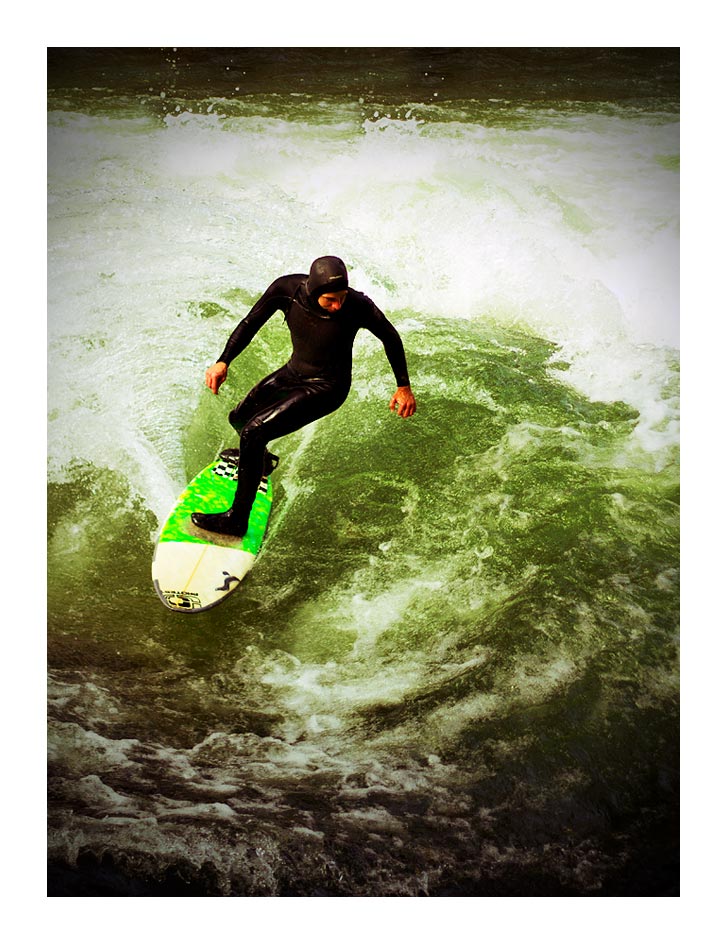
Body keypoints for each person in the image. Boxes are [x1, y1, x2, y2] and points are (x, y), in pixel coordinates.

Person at [192, 256, 417, 537]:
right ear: (313, 292)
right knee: (239, 419)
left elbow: (391, 337)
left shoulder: (358, 306)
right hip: (293, 373)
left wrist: (403, 387)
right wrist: (224, 361)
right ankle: (259, 463)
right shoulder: (287, 290)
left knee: (252, 433)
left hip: (327, 388)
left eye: (342, 297)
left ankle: (237, 521)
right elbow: (251, 322)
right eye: (330, 300)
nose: (338, 306)